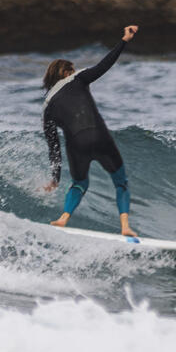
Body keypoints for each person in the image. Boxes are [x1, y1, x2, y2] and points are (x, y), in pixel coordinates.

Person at [42, 25, 138, 236]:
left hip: (76, 145)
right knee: (121, 183)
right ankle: (125, 227)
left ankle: (63, 219)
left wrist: (55, 178)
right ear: (67, 72)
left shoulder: (47, 106)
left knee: (79, 183)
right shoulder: (77, 79)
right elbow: (104, 65)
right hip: (99, 136)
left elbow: (54, 146)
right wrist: (124, 40)